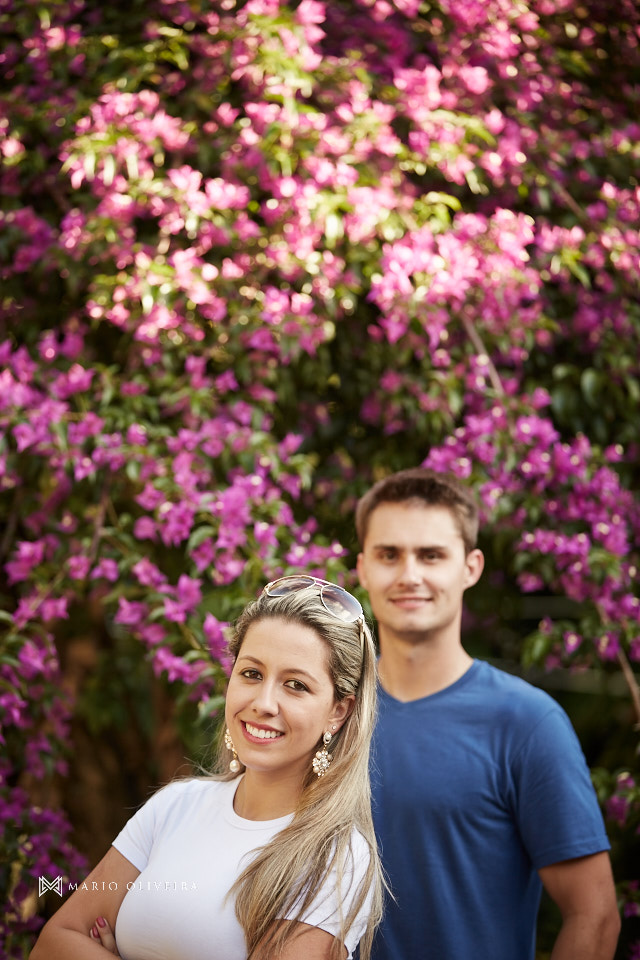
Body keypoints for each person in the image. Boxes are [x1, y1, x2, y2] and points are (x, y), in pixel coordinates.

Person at [30, 576, 383, 960]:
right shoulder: (175, 806)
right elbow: (52, 944)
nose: (263, 703)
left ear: (338, 712)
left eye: (295, 685)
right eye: (252, 674)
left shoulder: (335, 857)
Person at [355, 467, 621, 960]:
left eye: (431, 555)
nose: (409, 575)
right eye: (389, 554)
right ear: (363, 568)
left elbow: (595, 915)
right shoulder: (330, 712)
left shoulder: (526, 723)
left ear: (470, 567)